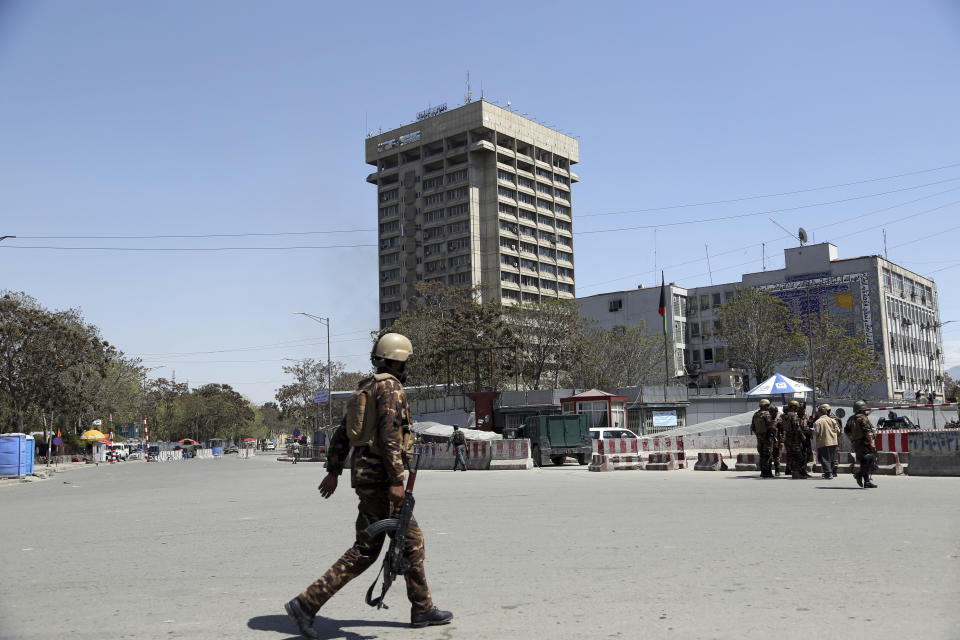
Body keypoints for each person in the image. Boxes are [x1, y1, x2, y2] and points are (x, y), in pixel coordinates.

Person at [284, 332, 452, 639]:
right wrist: (396, 480)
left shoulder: (365, 388)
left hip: (366, 475)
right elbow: (390, 436)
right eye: (405, 360)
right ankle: (306, 603)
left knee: (401, 542)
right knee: (387, 545)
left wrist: (334, 469)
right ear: (396, 359)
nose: (406, 365)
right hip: (381, 479)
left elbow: (342, 434)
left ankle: (422, 607)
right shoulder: (391, 388)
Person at [845, 400, 878, 489]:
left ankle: (867, 481)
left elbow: (846, 431)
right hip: (865, 442)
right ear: (863, 409)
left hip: (856, 443)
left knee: (863, 461)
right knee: (870, 459)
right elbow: (867, 431)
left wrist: (852, 440)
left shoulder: (851, 418)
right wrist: (871, 442)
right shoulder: (863, 418)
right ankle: (859, 475)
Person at [781, 401, 810, 479]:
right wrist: (803, 435)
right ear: (793, 407)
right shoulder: (794, 416)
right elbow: (797, 428)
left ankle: (794, 472)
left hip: (788, 439)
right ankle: (796, 473)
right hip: (794, 439)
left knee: (792, 456)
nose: (798, 409)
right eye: (797, 407)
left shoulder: (784, 416)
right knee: (798, 457)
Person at [813, 404, 841, 479]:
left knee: (824, 458)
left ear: (820, 412)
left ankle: (828, 473)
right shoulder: (833, 420)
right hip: (834, 442)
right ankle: (830, 472)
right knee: (832, 458)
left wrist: (810, 431)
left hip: (823, 442)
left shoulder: (818, 422)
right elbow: (838, 431)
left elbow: (816, 432)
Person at [750, 399, 775, 478]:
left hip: (759, 438)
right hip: (767, 438)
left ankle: (763, 472)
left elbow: (752, 427)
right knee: (768, 455)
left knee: (762, 455)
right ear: (765, 406)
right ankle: (768, 472)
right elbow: (770, 426)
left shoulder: (755, 415)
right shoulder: (766, 414)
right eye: (768, 405)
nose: (769, 407)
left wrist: (758, 434)